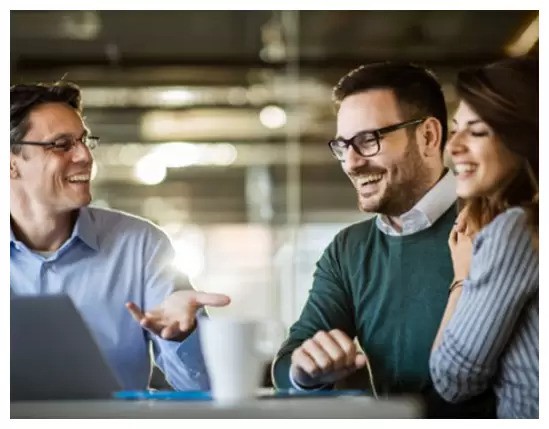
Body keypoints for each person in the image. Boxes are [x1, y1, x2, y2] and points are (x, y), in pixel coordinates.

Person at [271, 62, 497, 416]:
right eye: (343, 145)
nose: (351, 162)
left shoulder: (497, 223)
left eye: (367, 140)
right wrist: (305, 369)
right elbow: (287, 366)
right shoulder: (347, 251)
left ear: (428, 137)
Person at [10, 81, 230, 391]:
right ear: (11, 164)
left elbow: (210, 389)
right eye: (62, 144)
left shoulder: (140, 247)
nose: (85, 155)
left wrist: (185, 337)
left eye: (84, 141)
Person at [430, 56, 539, 418]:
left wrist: (463, 275)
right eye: (456, 128)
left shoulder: (518, 230)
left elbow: (452, 380)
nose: (453, 146)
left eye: (476, 131)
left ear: (521, 136)